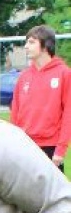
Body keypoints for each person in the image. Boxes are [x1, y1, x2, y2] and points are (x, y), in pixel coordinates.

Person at [10, 24, 71, 169]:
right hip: (25, 145)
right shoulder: (23, 77)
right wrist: (12, 143)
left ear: (45, 46)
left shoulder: (64, 74)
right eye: (26, 42)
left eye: (31, 42)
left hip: (50, 147)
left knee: (54, 192)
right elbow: (15, 113)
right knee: (22, 191)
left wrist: (60, 149)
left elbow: (68, 113)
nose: (26, 46)